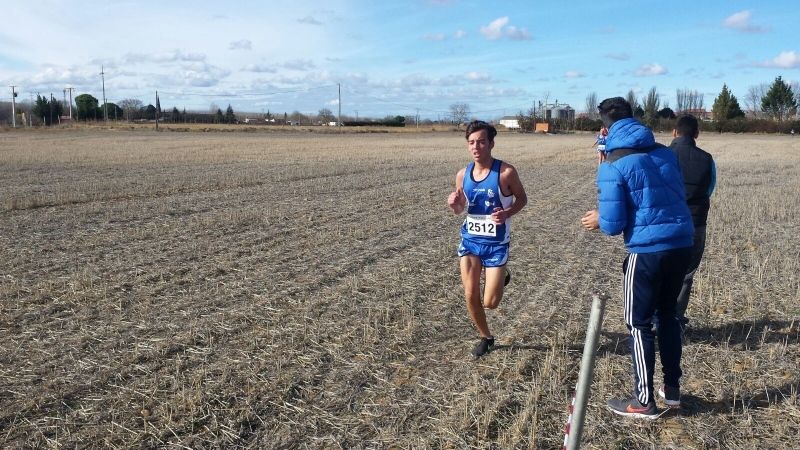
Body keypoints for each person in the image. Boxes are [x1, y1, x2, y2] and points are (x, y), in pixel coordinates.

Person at [581, 97, 694, 418]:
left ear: (604, 128)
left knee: (638, 323)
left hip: (646, 251)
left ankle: (644, 401)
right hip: (681, 243)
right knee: (668, 316)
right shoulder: (664, 152)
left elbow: (614, 225)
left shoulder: (613, 164)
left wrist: (598, 217)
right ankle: (672, 391)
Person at [447, 120, 527, 358]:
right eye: (471, 142)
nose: (476, 147)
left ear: (491, 143)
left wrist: (507, 213)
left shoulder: (506, 173)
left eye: (481, 142)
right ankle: (487, 337)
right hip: (471, 241)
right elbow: (462, 208)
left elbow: (522, 200)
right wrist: (455, 204)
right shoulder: (463, 174)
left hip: (496, 245)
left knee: (490, 302)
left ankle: (503, 275)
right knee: (470, 294)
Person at [669, 114, 716, 329]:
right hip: (695, 223)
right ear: (697, 134)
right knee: (686, 275)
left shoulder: (662, 156)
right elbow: (709, 189)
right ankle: (676, 319)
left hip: (664, 223)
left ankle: (654, 319)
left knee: (659, 272)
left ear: (674, 132)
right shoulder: (707, 159)